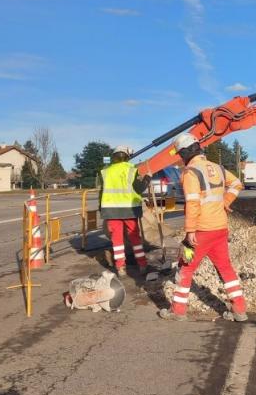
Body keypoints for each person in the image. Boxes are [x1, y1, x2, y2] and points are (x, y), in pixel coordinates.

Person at [159, 133, 247, 322]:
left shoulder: (191, 172)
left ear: (184, 153)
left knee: (185, 268)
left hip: (201, 231)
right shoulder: (218, 168)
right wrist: (225, 201)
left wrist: (190, 230)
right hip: (220, 228)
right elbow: (237, 184)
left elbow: (192, 203)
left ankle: (178, 311)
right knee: (225, 267)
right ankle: (239, 309)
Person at [99, 145, 150, 277]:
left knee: (117, 240)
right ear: (127, 156)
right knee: (134, 238)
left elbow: (101, 193)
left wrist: (102, 209)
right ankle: (142, 264)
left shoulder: (106, 171)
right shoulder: (131, 169)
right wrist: (148, 178)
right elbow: (139, 189)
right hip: (129, 210)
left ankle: (120, 267)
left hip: (111, 210)